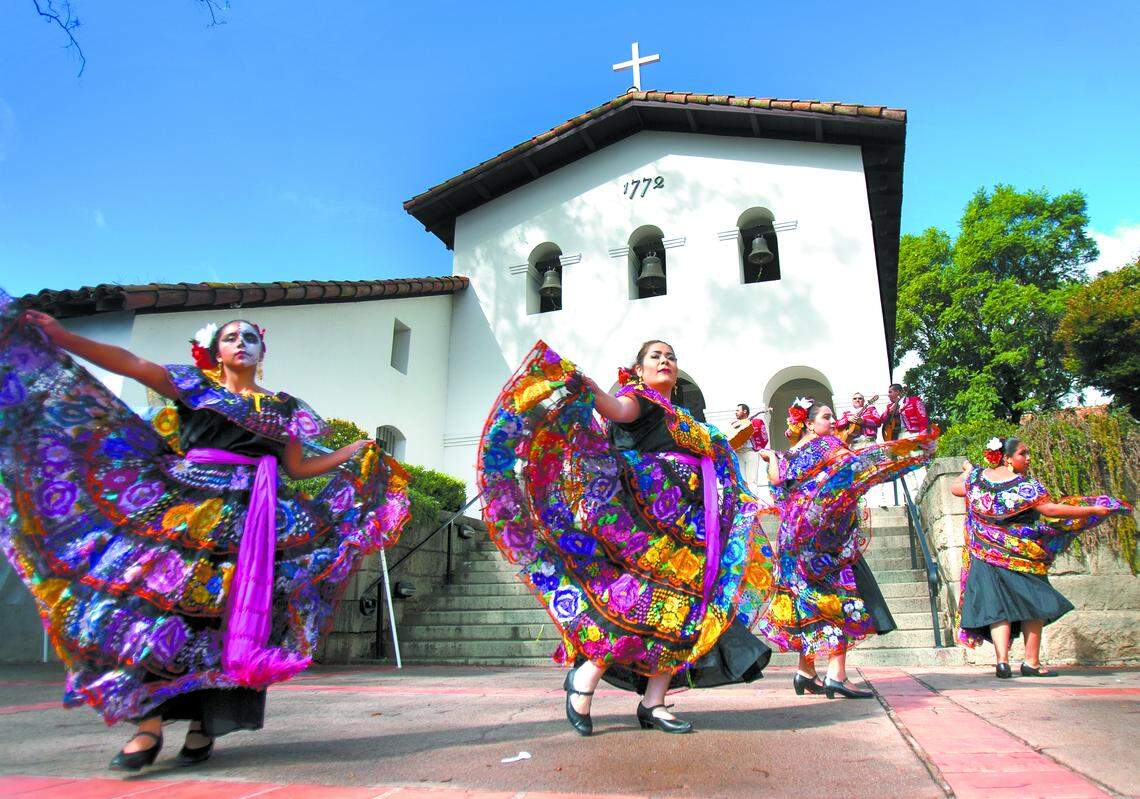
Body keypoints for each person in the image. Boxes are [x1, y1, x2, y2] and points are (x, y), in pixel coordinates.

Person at [0, 291, 410, 771]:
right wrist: (62, 336)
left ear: (262, 351)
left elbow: (295, 468)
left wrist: (348, 453)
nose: (241, 343)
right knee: (153, 605)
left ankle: (205, 725)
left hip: (255, 522)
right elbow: (131, 363)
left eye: (250, 338)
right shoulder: (194, 387)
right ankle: (147, 725)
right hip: (189, 508)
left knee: (234, 618)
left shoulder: (285, 408)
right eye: (231, 337)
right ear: (216, 350)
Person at [478, 340, 775, 735]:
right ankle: (585, 677)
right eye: (655, 356)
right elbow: (616, 410)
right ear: (638, 370)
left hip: (691, 530)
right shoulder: (640, 400)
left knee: (681, 614)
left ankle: (654, 702)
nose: (665, 360)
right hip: (650, 529)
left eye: (671, 356)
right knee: (637, 605)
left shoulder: (683, 417)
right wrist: (589, 387)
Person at [755, 398, 936, 699]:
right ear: (809, 424)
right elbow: (863, 467)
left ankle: (806, 672)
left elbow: (777, 489)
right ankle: (836, 675)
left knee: (807, 601)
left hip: (793, 539)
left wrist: (772, 458)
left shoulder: (786, 456)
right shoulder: (828, 446)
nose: (833, 422)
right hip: (826, 538)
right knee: (838, 595)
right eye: (827, 417)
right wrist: (913, 452)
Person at [950, 437, 1130, 678]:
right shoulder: (1026, 486)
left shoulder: (976, 479)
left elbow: (956, 488)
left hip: (984, 552)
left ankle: (1002, 662)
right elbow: (1052, 510)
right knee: (1033, 604)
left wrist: (970, 471)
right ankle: (1031, 662)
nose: (1028, 458)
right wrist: (1092, 510)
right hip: (1022, 554)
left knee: (995, 607)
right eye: (1023, 453)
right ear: (1007, 458)